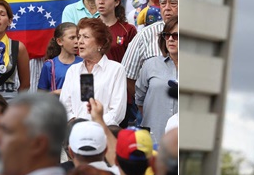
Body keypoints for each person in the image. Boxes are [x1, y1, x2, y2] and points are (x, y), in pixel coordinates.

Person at [60, 17, 127, 127]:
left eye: (85, 37)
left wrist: (93, 126)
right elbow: (65, 106)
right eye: (79, 37)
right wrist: (77, 125)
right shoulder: (73, 70)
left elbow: (117, 113)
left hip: (103, 135)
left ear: (100, 43)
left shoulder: (116, 70)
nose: (79, 41)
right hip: (75, 135)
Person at [134, 16, 177, 144]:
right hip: (153, 139)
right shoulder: (150, 65)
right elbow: (139, 99)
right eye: (167, 35)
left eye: (176, 36)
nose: (170, 39)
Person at [38, 22, 81, 93]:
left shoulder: (83, 62)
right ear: (59, 41)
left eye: (78, 37)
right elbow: (41, 94)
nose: (77, 41)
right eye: (72, 38)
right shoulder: (50, 65)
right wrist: (56, 93)